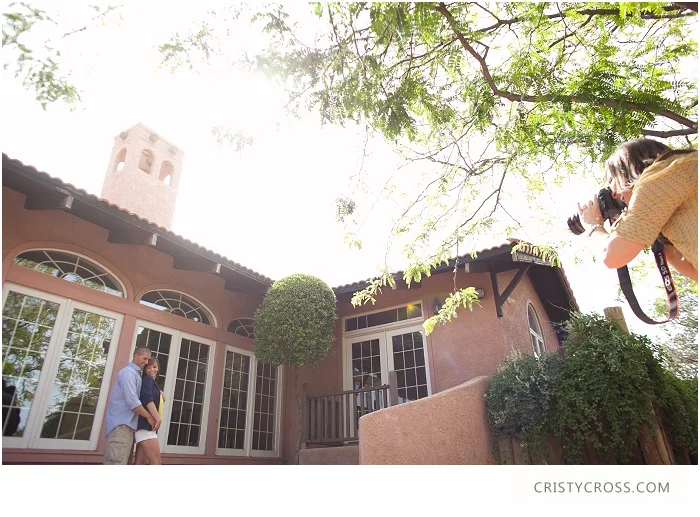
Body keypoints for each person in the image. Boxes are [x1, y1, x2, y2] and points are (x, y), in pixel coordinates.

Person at [577, 138, 698, 281]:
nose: (614, 193)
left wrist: (593, 226)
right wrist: (658, 237)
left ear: (629, 168)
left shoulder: (659, 174)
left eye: (612, 182)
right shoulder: (682, 170)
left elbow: (612, 256)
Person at [103, 347, 160, 465]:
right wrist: (150, 416)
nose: (146, 362)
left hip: (129, 427)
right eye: (144, 359)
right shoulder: (128, 372)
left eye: (148, 359)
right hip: (121, 425)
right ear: (135, 356)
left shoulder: (137, 375)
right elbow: (132, 401)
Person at [134, 357, 164, 465]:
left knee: (139, 464)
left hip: (143, 429)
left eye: (154, 367)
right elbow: (147, 398)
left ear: (158, 368)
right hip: (146, 428)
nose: (152, 370)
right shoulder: (147, 379)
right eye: (148, 368)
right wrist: (157, 418)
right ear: (145, 370)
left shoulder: (152, 383)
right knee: (156, 463)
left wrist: (160, 394)